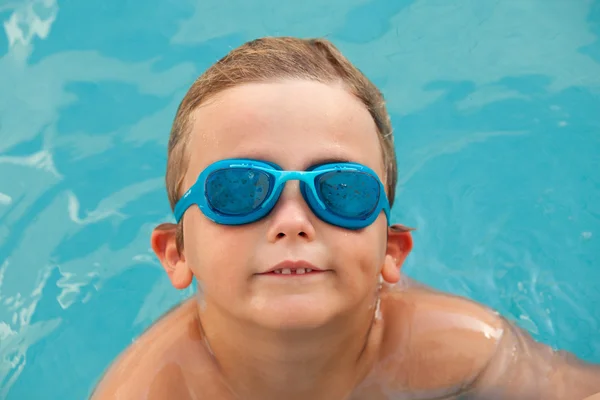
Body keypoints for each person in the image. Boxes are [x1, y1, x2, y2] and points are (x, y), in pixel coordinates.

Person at [91, 37, 600, 400]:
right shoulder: (149, 389)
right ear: (176, 254)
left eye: (341, 190)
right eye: (240, 189)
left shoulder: (457, 348)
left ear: (391, 251)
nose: (292, 221)